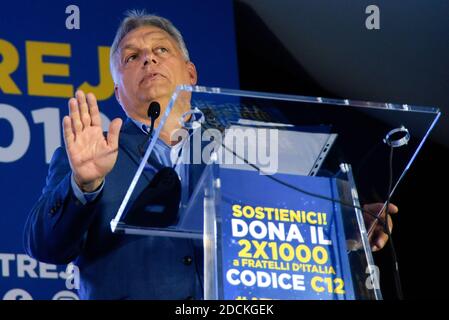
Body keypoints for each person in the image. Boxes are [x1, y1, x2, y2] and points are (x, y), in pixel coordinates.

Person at [23, 10, 397, 300]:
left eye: (160, 50)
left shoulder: (248, 144)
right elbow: (45, 246)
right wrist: (83, 185)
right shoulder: (91, 156)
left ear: (190, 73)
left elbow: (294, 222)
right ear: (119, 94)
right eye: (131, 57)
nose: (148, 60)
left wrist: (347, 226)